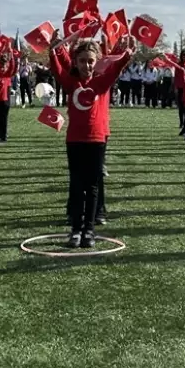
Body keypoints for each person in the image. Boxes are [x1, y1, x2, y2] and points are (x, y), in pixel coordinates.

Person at [48, 30, 133, 248]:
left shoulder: (101, 83)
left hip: (96, 139)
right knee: (76, 185)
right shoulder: (70, 83)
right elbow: (57, 69)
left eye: (90, 61)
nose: (86, 65)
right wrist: (53, 50)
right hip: (75, 139)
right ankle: (75, 230)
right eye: (83, 61)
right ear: (75, 62)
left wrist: (126, 53)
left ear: (96, 63)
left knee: (93, 186)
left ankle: (89, 230)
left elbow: (115, 69)